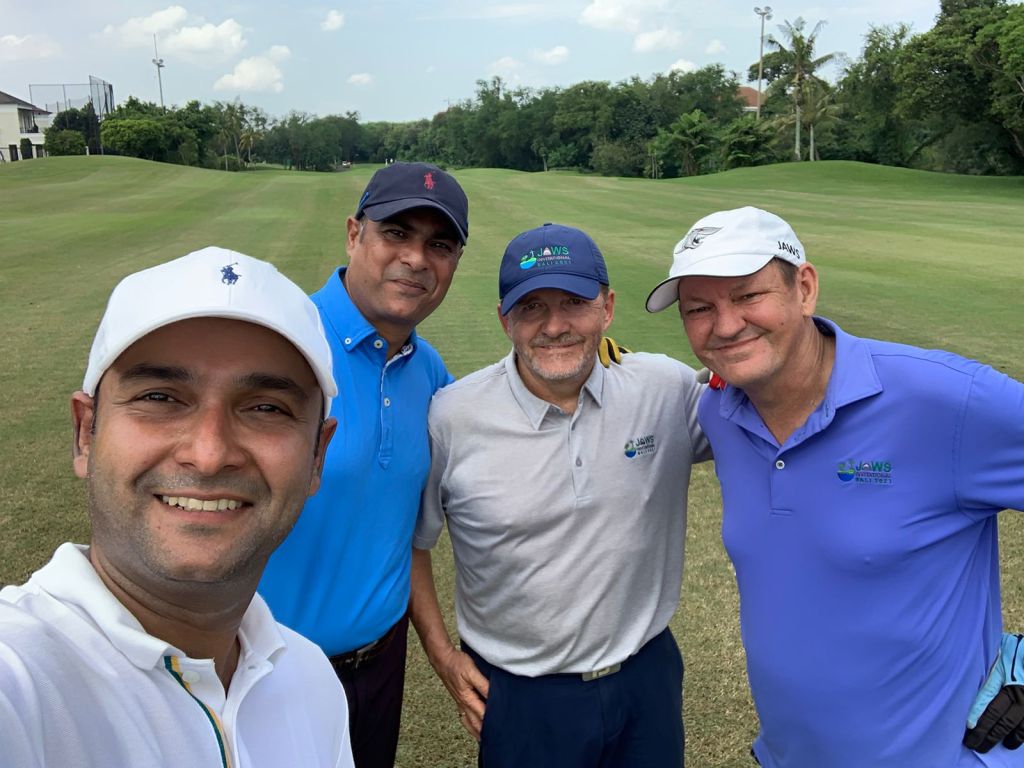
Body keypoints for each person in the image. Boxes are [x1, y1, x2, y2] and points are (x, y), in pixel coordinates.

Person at [645, 205, 1024, 767]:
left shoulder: (946, 400)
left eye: (749, 296)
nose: (724, 325)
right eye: (699, 308)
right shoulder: (722, 412)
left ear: (804, 288)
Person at [0, 247, 354, 768]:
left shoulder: (310, 677)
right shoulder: (18, 679)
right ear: (85, 433)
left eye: (266, 407)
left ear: (317, 456)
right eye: (160, 398)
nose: (208, 455)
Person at [409, 223, 711, 767]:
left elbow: (763, 410)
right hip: (520, 695)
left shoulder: (664, 388)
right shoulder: (452, 417)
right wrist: (441, 655)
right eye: (531, 307)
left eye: (574, 302)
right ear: (504, 319)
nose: (554, 326)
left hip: (647, 680)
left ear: (607, 308)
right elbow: (412, 543)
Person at [258, 161, 469, 767]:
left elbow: (408, 534)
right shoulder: (282, 343)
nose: (416, 259)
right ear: (354, 235)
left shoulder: (428, 370)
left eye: (439, 245)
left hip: (379, 668)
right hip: (265, 674)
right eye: (396, 233)